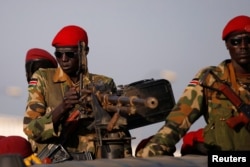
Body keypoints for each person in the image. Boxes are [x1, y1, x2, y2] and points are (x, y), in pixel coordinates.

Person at [136, 15, 250, 157]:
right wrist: (149, 153)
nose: (243, 46)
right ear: (227, 44)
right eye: (236, 41)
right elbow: (178, 121)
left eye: (248, 40)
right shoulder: (211, 79)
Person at [23, 25, 132, 159]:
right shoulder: (43, 79)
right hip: (53, 160)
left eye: (69, 54)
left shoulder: (104, 84)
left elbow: (119, 130)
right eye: (58, 54)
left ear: (84, 52)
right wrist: (62, 108)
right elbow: (31, 129)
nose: (63, 59)